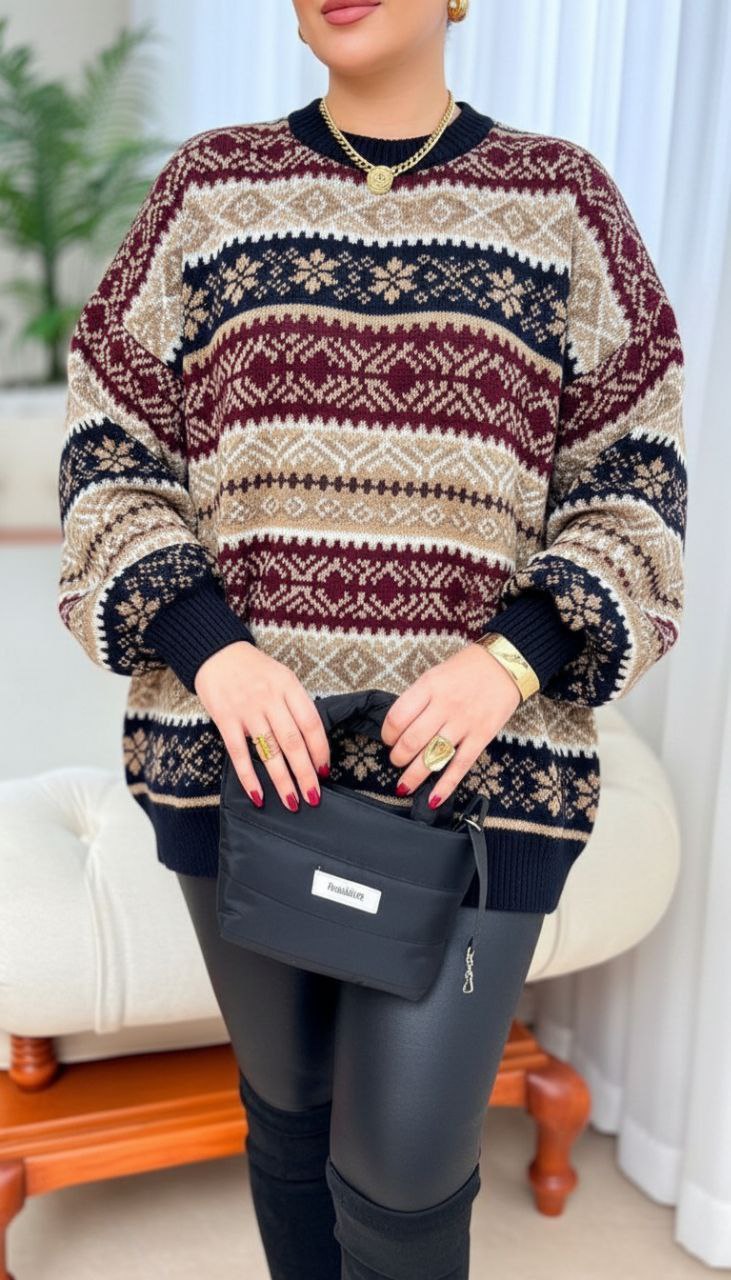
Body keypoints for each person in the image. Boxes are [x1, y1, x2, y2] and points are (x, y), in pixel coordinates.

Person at [55, 0, 687, 1275]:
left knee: (401, 1180)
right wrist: (213, 646)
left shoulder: (564, 204)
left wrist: (510, 655)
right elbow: (107, 456)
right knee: (288, 1117)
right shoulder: (205, 194)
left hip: (479, 786)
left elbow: (637, 486)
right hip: (234, 768)